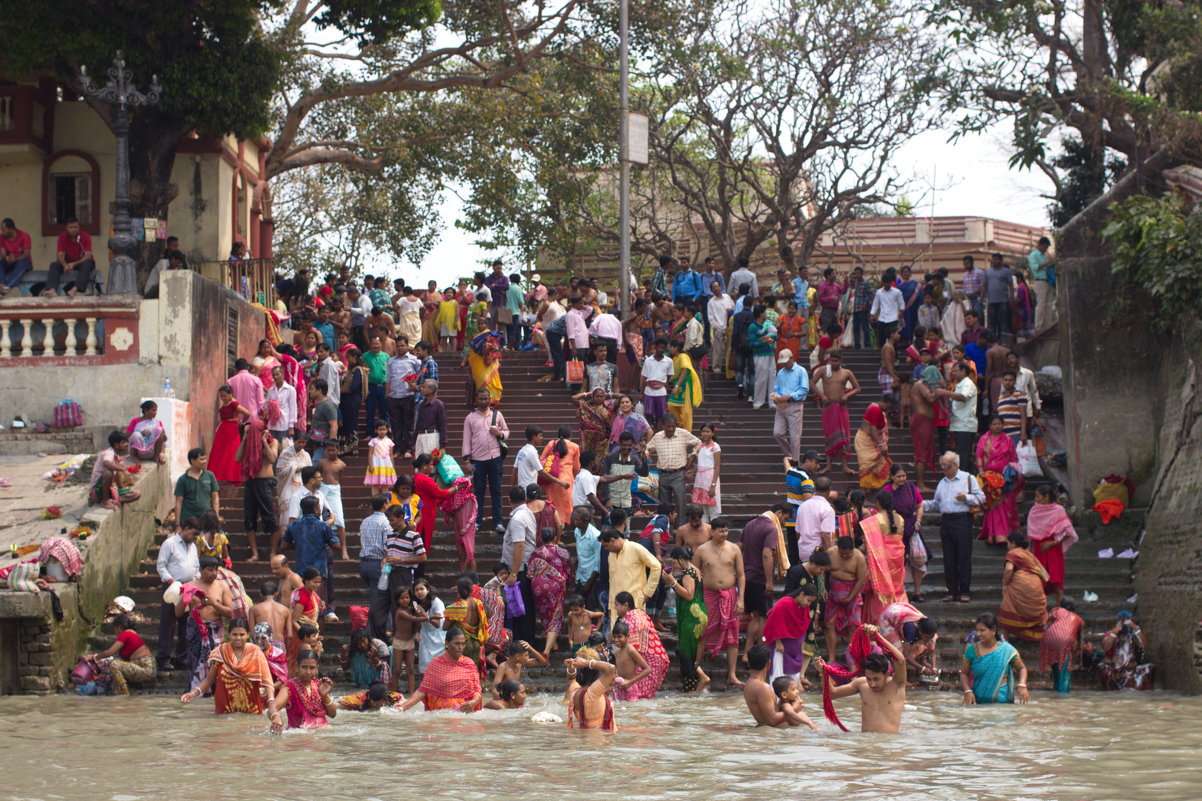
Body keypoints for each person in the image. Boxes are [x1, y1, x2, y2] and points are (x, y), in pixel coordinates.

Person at [816, 625, 907, 733]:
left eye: (876, 679)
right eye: (869, 678)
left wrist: (877, 636)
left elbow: (900, 660)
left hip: (889, 745)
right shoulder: (861, 684)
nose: (872, 684)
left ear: (887, 674)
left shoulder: (897, 684)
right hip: (865, 744)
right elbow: (831, 694)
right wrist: (823, 673)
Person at [181, 617, 275, 714]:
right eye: (234, 634)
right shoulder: (221, 652)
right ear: (229, 635)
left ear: (248, 635)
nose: (238, 638)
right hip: (225, 707)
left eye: (242, 634)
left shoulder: (256, 652)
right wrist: (193, 693)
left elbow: (267, 680)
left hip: (251, 707)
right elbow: (209, 679)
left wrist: (271, 703)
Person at [926, 451, 985, 603]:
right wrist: (920, 504)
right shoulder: (942, 482)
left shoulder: (968, 478)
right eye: (943, 466)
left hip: (963, 520)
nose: (943, 469)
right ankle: (951, 591)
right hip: (946, 521)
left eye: (946, 466)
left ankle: (964, 591)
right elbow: (936, 504)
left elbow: (981, 499)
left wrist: (966, 497)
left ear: (955, 465)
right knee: (949, 558)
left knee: (963, 557)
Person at [695, 518, 745, 687]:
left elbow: (741, 575)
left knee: (733, 636)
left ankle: (732, 675)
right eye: (721, 531)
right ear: (712, 531)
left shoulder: (734, 549)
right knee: (702, 633)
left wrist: (741, 599)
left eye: (726, 531)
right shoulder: (702, 550)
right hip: (708, 596)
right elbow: (693, 575)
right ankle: (697, 669)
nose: (724, 534)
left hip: (730, 596)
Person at [175, 556, 233, 692]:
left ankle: (215, 694)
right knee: (193, 662)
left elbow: (230, 613)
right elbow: (178, 613)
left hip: (215, 629)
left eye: (216, 570)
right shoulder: (190, 586)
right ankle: (195, 693)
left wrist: (214, 603)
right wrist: (184, 598)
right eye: (210, 570)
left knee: (216, 661)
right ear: (201, 570)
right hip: (195, 629)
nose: (214, 573)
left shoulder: (222, 587)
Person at [283, 496, 341, 621]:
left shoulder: (293, 526)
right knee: (319, 609)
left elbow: (284, 545)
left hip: (300, 573)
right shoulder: (323, 526)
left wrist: (299, 543)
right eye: (319, 507)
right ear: (315, 509)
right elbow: (336, 545)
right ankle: (318, 637)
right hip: (318, 573)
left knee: (302, 608)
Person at [662, 546, 710, 693]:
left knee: (685, 651)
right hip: (699, 613)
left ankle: (695, 685)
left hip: (692, 616)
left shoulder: (688, 572)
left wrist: (673, 582)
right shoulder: (694, 569)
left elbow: (689, 595)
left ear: (681, 559)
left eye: (675, 561)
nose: (674, 564)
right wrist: (675, 581)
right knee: (690, 650)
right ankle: (698, 683)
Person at [400, 628, 483, 712]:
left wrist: (474, 701)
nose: (460, 648)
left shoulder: (469, 664)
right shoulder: (436, 663)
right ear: (446, 644)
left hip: (463, 712)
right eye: (457, 644)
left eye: (463, 644)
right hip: (442, 713)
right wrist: (402, 708)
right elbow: (423, 690)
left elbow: (476, 691)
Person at [463, 387, 510, 533]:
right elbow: (466, 440)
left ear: (490, 399)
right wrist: (467, 460)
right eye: (481, 398)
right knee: (479, 492)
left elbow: (507, 431)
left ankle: (498, 523)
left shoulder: (497, 414)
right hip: (478, 459)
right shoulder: (470, 418)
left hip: (495, 458)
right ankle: (477, 522)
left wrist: (500, 433)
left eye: (486, 398)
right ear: (476, 399)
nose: (484, 401)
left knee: (497, 490)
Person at [961, 613, 1030, 704]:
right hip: (978, 703)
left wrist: (1022, 685)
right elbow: (964, 673)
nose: (978, 634)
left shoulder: (1007, 650)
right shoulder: (972, 650)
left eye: (982, 630)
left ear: (993, 630)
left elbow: (1021, 668)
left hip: (1002, 704)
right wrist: (967, 691)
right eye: (977, 630)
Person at [809, 350, 860, 476]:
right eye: (832, 360)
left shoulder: (846, 372)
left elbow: (858, 388)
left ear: (841, 361)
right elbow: (812, 383)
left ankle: (845, 466)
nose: (834, 363)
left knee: (844, 436)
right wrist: (821, 395)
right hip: (828, 407)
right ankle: (828, 465)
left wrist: (847, 395)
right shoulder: (823, 370)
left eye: (836, 361)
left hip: (841, 407)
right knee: (829, 436)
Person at [612, 591, 670, 699]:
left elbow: (632, 651)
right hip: (654, 658)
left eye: (616, 605)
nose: (615, 608)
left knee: (638, 696)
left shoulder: (631, 620)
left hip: (650, 660)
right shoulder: (638, 613)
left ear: (625, 605)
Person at [1026, 484, 1078, 605]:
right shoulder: (1034, 510)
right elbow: (1032, 531)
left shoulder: (1058, 510)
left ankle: (1060, 612)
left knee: (1057, 581)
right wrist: (1029, 548)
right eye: (1036, 496)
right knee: (1040, 581)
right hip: (1039, 550)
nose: (1036, 499)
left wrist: (1053, 542)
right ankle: (1041, 613)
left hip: (1053, 549)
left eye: (1038, 496)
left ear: (1046, 497)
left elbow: (1067, 529)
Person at [975, 415, 1023, 545]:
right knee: (993, 506)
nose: (997, 426)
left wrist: (1013, 476)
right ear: (990, 426)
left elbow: (1014, 459)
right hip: (989, 478)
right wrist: (982, 475)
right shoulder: (984, 440)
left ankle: (1004, 534)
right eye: (994, 424)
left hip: (1004, 479)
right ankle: (993, 535)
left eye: (999, 424)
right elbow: (979, 457)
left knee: (1005, 505)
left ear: (1003, 425)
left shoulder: (1008, 440)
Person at [528, 527, 574, 657]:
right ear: (555, 538)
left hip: (537, 585)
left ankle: (554, 644)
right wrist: (567, 583)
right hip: (555, 585)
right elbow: (569, 571)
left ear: (541, 538)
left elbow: (530, 572)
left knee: (545, 613)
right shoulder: (563, 552)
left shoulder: (536, 552)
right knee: (555, 616)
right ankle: (546, 651)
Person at [763, 583, 819, 688]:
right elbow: (774, 622)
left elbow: (803, 626)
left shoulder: (804, 607)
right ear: (802, 594)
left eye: (811, 602)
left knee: (793, 679)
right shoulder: (784, 603)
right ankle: (776, 700)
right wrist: (778, 642)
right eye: (808, 600)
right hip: (780, 646)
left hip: (795, 646)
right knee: (778, 675)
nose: (808, 604)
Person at [744, 644, 812, 728]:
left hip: (770, 733)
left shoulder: (748, 684)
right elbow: (772, 720)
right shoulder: (763, 687)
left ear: (749, 663)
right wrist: (795, 708)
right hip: (777, 734)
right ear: (769, 663)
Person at [601, 527, 661, 622]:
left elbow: (656, 566)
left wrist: (647, 594)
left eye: (606, 545)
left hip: (635, 603)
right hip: (616, 608)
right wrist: (610, 606)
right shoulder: (611, 555)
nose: (605, 549)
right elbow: (612, 581)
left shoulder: (635, 548)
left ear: (612, 540)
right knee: (618, 635)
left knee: (634, 635)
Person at [998, 532, 1049, 642]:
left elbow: (1009, 569)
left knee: (1006, 615)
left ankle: (1004, 643)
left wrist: (1005, 582)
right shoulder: (1030, 555)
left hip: (1021, 588)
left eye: (1008, 543)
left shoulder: (1013, 553)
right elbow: (1045, 575)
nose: (1007, 546)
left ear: (1013, 543)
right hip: (1036, 590)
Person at [85, 614, 155, 695]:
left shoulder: (125, 634)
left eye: (114, 629)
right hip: (147, 670)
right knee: (116, 663)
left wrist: (94, 657)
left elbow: (110, 652)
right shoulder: (132, 635)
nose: (115, 633)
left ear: (118, 627)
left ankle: (123, 694)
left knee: (114, 665)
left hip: (145, 670)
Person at [268, 650, 337, 729]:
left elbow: (333, 714)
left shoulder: (319, 685)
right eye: (304, 667)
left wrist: (324, 695)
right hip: (300, 737)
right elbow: (272, 706)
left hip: (321, 737)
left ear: (317, 668)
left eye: (312, 668)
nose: (308, 672)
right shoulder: (290, 687)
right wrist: (275, 716)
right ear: (297, 667)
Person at [888, 464, 928, 600]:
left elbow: (920, 504)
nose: (902, 479)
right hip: (895, 530)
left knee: (917, 560)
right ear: (892, 477)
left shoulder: (911, 487)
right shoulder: (887, 490)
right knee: (899, 562)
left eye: (904, 476)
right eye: (898, 476)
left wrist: (918, 520)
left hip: (912, 527)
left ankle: (917, 592)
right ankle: (900, 592)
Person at [823, 536, 867, 660]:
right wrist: (823, 588)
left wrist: (850, 597)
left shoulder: (859, 557)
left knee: (853, 626)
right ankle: (832, 657)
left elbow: (861, 580)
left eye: (848, 554)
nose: (846, 557)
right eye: (843, 554)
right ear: (838, 548)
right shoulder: (831, 553)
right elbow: (822, 571)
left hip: (853, 593)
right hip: (833, 594)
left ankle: (852, 658)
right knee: (829, 624)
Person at [645, 412, 700, 510]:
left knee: (681, 503)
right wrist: (645, 454)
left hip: (678, 474)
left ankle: (681, 525)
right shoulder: (658, 436)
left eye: (673, 426)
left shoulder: (683, 433)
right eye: (668, 426)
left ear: (676, 425)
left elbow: (698, 443)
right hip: (663, 474)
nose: (671, 429)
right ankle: (666, 524)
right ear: (663, 425)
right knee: (665, 505)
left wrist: (693, 456)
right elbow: (647, 448)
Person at [936, 361, 979, 474]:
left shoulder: (968, 384)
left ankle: (964, 483)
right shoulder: (960, 384)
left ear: (963, 371)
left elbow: (963, 397)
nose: (953, 373)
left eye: (955, 371)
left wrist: (944, 392)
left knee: (963, 457)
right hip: (959, 424)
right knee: (961, 455)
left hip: (965, 425)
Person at [564, 647, 618, 730]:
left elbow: (571, 678)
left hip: (584, 737)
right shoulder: (593, 693)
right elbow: (611, 668)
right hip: (597, 739)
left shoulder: (574, 690)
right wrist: (587, 663)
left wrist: (571, 668)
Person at [771, 349, 809, 462]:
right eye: (783, 362)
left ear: (792, 358)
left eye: (786, 361)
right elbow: (776, 388)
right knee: (777, 433)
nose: (784, 364)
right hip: (781, 406)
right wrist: (776, 396)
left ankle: (795, 461)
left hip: (795, 405)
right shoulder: (781, 372)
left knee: (794, 437)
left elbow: (804, 389)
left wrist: (789, 396)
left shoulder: (801, 371)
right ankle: (790, 455)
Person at [42, 217, 95, 298]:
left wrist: (74, 264)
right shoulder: (62, 237)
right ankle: (51, 290)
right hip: (68, 262)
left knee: (87, 264)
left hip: (81, 262)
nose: (74, 229)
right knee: (54, 265)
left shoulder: (85, 236)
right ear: (66, 228)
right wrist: (65, 265)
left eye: (76, 227)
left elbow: (88, 255)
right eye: (71, 227)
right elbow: (60, 255)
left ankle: (74, 289)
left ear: (79, 227)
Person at [1100, 611, 1154, 690]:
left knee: (1150, 668)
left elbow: (1144, 645)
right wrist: (1116, 631)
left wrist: (1135, 628)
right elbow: (1106, 647)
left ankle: (1145, 692)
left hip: (1131, 669)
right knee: (1102, 668)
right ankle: (1111, 692)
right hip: (1115, 669)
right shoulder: (1111, 634)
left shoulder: (1133, 635)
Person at [1040, 598, 1085, 693]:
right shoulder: (1078, 619)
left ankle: (1056, 690)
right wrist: (1078, 652)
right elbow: (1080, 640)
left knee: (1056, 669)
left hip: (1048, 639)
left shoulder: (1056, 611)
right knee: (1064, 673)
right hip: (1064, 641)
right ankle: (1063, 699)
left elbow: (1045, 623)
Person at [538, 425, 580, 526]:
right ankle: (563, 527)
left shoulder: (551, 443)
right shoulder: (575, 446)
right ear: (570, 435)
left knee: (553, 506)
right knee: (566, 506)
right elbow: (576, 467)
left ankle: (555, 529)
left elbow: (541, 460)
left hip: (552, 478)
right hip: (566, 480)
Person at [855, 392, 895, 490]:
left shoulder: (877, 408)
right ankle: (863, 492)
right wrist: (881, 445)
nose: (888, 409)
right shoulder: (876, 409)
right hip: (866, 441)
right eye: (888, 407)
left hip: (872, 441)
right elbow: (873, 429)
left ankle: (869, 487)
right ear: (884, 402)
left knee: (878, 462)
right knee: (865, 466)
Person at [688, 422, 723, 520]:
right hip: (700, 480)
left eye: (708, 431)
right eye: (703, 431)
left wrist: (713, 485)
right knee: (702, 509)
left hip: (711, 480)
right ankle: (705, 533)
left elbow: (717, 467)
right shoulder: (700, 446)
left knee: (713, 510)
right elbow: (702, 465)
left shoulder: (715, 447)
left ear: (712, 433)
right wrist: (693, 471)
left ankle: (714, 532)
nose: (705, 434)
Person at [667, 339, 703, 431]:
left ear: (677, 348)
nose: (670, 349)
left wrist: (676, 386)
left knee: (686, 410)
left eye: (672, 347)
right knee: (670, 405)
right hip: (678, 384)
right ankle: (681, 422)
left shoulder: (683, 357)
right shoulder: (675, 358)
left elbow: (684, 372)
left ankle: (687, 431)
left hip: (684, 386)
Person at [747, 305, 778, 409]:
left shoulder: (767, 324)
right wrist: (763, 341)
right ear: (760, 314)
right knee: (761, 378)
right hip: (760, 355)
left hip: (770, 353)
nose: (766, 314)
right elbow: (751, 344)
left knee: (772, 377)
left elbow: (776, 336)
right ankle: (758, 401)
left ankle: (772, 401)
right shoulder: (753, 327)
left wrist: (771, 339)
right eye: (764, 312)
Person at [414, 578, 446, 674]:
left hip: (439, 637)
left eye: (421, 589)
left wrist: (424, 615)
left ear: (428, 589)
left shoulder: (436, 602)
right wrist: (417, 632)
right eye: (416, 590)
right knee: (426, 669)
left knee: (440, 669)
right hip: (425, 637)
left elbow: (437, 624)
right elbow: (417, 622)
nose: (419, 592)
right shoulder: (416, 604)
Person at [573, 387, 617, 454]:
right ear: (592, 396)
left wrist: (609, 395)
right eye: (597, 396)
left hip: (603, 440)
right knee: (587, 460)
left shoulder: (609, 406)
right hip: (588, 440)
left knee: (601, 461)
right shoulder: (586, 406)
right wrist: (587, 394)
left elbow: (622, 396)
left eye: (602, 396)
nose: (599, 398)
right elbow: (574, 398)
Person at [1028, 235, 1057, 332]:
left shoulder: (1044, 256)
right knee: (1041, 304)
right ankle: (1038, 327)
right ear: (1039, 245)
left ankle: (1047, 325)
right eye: (1044, 247)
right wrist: (1048, 263)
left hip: (1048, 281)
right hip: (1040, 281)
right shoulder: (1033, 255)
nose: (1045, 249)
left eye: (1046, 248)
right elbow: (1035, 267)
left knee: (1048, 305)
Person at [0, 217, 32, 293]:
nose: (2, 232)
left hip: (24, 262)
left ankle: (7, 287)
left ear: (11, 228)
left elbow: (26, 255)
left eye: (4, 230)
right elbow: (3, 254)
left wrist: (15, 259)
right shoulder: (2, 237)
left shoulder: (24, 235)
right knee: (1, 263)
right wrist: (7, 258)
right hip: (10, 262)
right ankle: (2, 285)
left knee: (21, 264)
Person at [365, 419, 397, 489]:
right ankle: (375, 499)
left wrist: (392, 466)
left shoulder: (389, 441)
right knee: (375, 485)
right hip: (376, 464)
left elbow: (391, 455)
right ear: (376, 430)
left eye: (384, 429)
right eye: (380, 429)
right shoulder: (373, 441)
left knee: (385, 485)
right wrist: (370, 465)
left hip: (386, 465)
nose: (382, 431)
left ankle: (384, 500)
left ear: (387, 430)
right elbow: (370, 454)